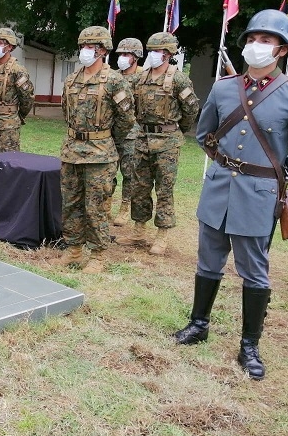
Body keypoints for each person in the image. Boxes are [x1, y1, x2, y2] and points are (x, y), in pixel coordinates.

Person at [173, 9, 288, 380]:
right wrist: (226, 165)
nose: (257, 46)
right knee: (207, 263)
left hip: (259, 196)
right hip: (217, 191)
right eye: (253, 39)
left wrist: (274, 177)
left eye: (266, 40)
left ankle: (249, 345)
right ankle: (198, 324)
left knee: (254, 272)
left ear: (282, 50)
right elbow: (204, 134)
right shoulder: (225, 88)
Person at [49, 26, 136, 274]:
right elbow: (66, 112)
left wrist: (105, 139)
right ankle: (74, 249)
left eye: (90, 47)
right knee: (71, 202)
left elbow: (126, 119)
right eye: (83, 46)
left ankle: (98, 254)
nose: (85, 51)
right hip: (72, 150)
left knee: (97, 205)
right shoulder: (71, 79)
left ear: (103, 50)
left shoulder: (115, 80)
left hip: (100, 153)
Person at [116, 31, 199, 255]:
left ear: (169, 53)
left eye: (158, 51)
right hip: (141, 140)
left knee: (164, 189)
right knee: (139, 187)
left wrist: (176, 130)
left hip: (167, 143)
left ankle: (162, 234)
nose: (153, 54)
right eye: (151, 50)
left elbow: (191, 109)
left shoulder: (178, 79)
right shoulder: (139, 78)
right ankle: (139, 229)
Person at [0, 27, 34, 154]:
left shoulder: (17, 70)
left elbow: (27, 98)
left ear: (9, 47)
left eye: (0, 43)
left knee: (8, 164)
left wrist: (16, 116)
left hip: (8, 125)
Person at [112, 37, 144, 226]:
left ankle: (125, 207)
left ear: (136, 57)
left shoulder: (143, 78)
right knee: (108, 170)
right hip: (111, 131)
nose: (122, 58)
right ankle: (106, 203)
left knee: (129, 172)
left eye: (126, 54)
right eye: (121, 54)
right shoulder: (114, 76)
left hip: (132, 133)